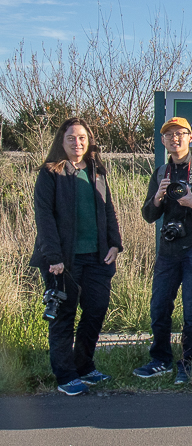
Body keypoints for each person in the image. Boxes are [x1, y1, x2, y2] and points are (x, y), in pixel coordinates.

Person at [134, 117, 192, 385]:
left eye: (180, 134)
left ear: (190, 137)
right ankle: (160, 359)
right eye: (169, 135)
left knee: (191, 310)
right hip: (168, 250)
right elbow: (149, 215)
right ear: (163, 140)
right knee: (159, 306)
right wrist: (157, 198)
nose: (174, 139)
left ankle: (188, 363)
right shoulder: (161, 172)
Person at [31, 118, 123, 396]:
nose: (77, 142)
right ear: (62, 141)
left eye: (82, 137)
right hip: (63, 261)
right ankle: (65, 375)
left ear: (89, 140)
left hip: (97, 257)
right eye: (71, 138)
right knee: (64, 316)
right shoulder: (50, 173)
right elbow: (44, 216)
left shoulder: (97, 170)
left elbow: (109, 210)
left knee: (95, 311)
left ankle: (84, 366)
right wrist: (53, 257)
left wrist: (115, 244)